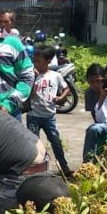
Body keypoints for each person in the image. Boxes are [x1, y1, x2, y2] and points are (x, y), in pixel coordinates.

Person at [27, 45, 73, 178]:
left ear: (48, 61)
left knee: (55, 141)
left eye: (38, 61)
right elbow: (26, 92)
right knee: (33, 142)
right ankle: (34, 167)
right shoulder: (31, 75)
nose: (35, 64)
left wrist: (60, 98)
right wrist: (32, 81)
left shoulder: (55, 76)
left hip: (49, 116)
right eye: (34, 61)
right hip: (33, 115)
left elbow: (66, 88)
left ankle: (63, 166)